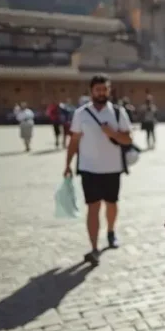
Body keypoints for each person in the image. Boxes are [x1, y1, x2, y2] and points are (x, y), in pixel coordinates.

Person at [64, 75, 133, 264]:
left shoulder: (118, 113)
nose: (101, 93)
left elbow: (128, 139)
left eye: (105, 89)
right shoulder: (81, 113)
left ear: (109, 91)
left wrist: (113, 134)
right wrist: (67, 164)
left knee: (112, 204)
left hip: (112, 168)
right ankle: (94, 248)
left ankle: (111, 231)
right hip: (89, 169)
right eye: (98, 90)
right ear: (91, 91)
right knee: (93, 207)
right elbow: (74, 141)